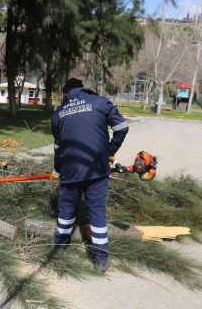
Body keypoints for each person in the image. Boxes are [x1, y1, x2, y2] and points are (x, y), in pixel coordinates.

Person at [51, 78, 129, 272]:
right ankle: (101, 260)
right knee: (97, 213)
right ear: (83, 89)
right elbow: (121, 127)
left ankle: (59, 248)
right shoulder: (101, 103)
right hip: (97, 170)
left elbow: (58, 148)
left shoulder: (58, 114)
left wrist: (59, 169)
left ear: (66, 93)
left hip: (70, 172)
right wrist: (109, 151)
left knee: (66, 212)